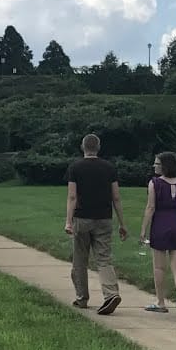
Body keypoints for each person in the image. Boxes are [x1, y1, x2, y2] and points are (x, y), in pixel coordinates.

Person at [65, 133, 128, 316]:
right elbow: (116, 197)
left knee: (80, 259)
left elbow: (72, 196)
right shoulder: (109, 168)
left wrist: (68, 221)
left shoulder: (75, 167)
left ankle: (81, 297)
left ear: (82, 147)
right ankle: (111, 293)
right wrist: (122, 223)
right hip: (104, 218)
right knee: (104, 258)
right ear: (98, 148)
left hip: (82, 218)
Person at [140, 150, 176, 317]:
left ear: (164, 166)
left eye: (157, 163)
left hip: (160, 226)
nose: (154, 166)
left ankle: (160, 301)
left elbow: (151, 208)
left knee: (159, 267)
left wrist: (143, 230)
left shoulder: (155, 183)